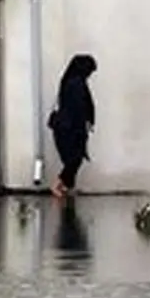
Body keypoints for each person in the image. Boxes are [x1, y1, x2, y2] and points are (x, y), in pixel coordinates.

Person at [48, 54, 97, 198]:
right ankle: (58, 184)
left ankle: (66, 186)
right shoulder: (76, 83)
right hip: (70, 127)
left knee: (73, 158)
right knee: (75, 157)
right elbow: (80, 107)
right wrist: (87, 122)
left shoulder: (70, 81)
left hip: (65, 126)